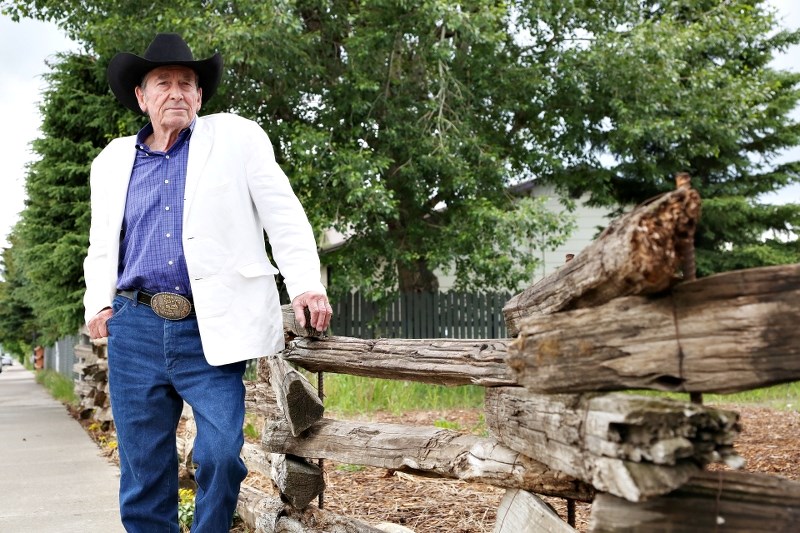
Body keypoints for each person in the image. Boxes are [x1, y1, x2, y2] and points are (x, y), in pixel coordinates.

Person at [83, 33, 332, 532]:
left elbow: (282, 213)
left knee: (220, 454)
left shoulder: (237, 138)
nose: (175, 92)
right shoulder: (112, 160)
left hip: (210, 326)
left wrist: (306, 283)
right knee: (143, 470)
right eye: (162, 83)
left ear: (199, 96)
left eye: (186, 84)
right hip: (134, 326)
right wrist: (97, 304)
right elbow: (101, 242)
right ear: (141, 95)